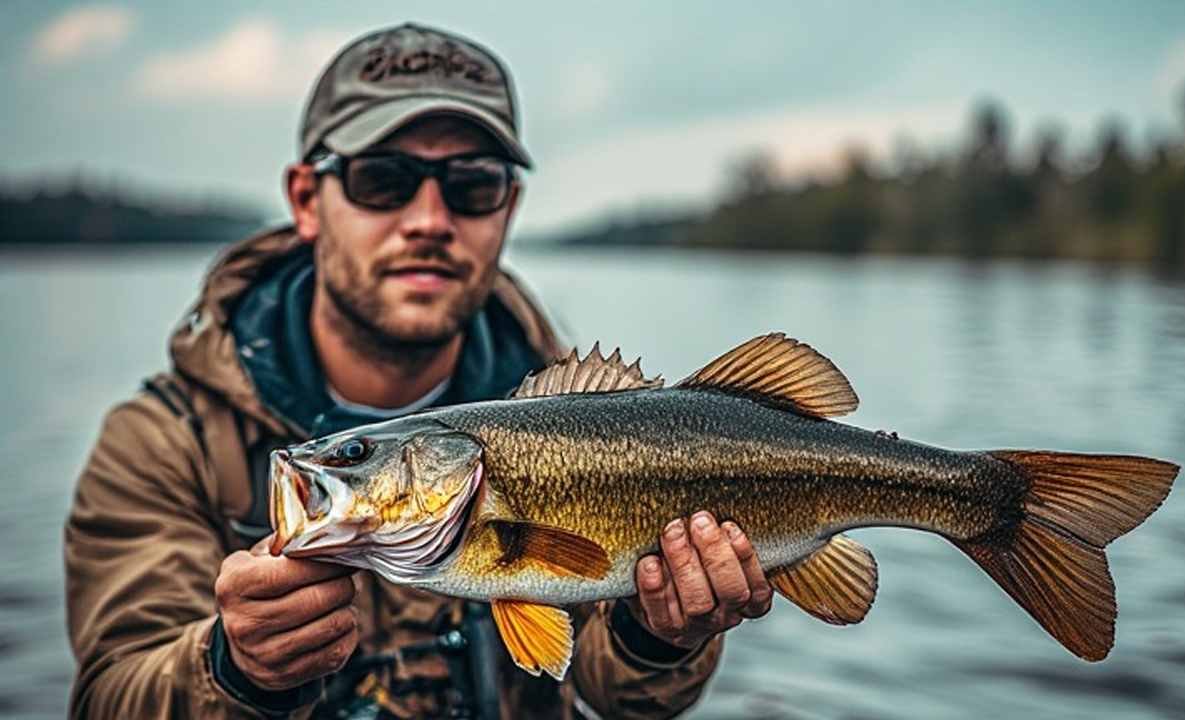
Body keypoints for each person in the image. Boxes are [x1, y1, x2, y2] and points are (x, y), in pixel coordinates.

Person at [64, 23, 773, 719]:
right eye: (384, 179)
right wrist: (235, 669)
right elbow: (110, 696)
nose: (430, 218)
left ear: (509, 207)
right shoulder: (164, 442)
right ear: (308, 200)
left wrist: (658, 634)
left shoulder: (582, 418)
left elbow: (615, 693)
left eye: (473, 184)